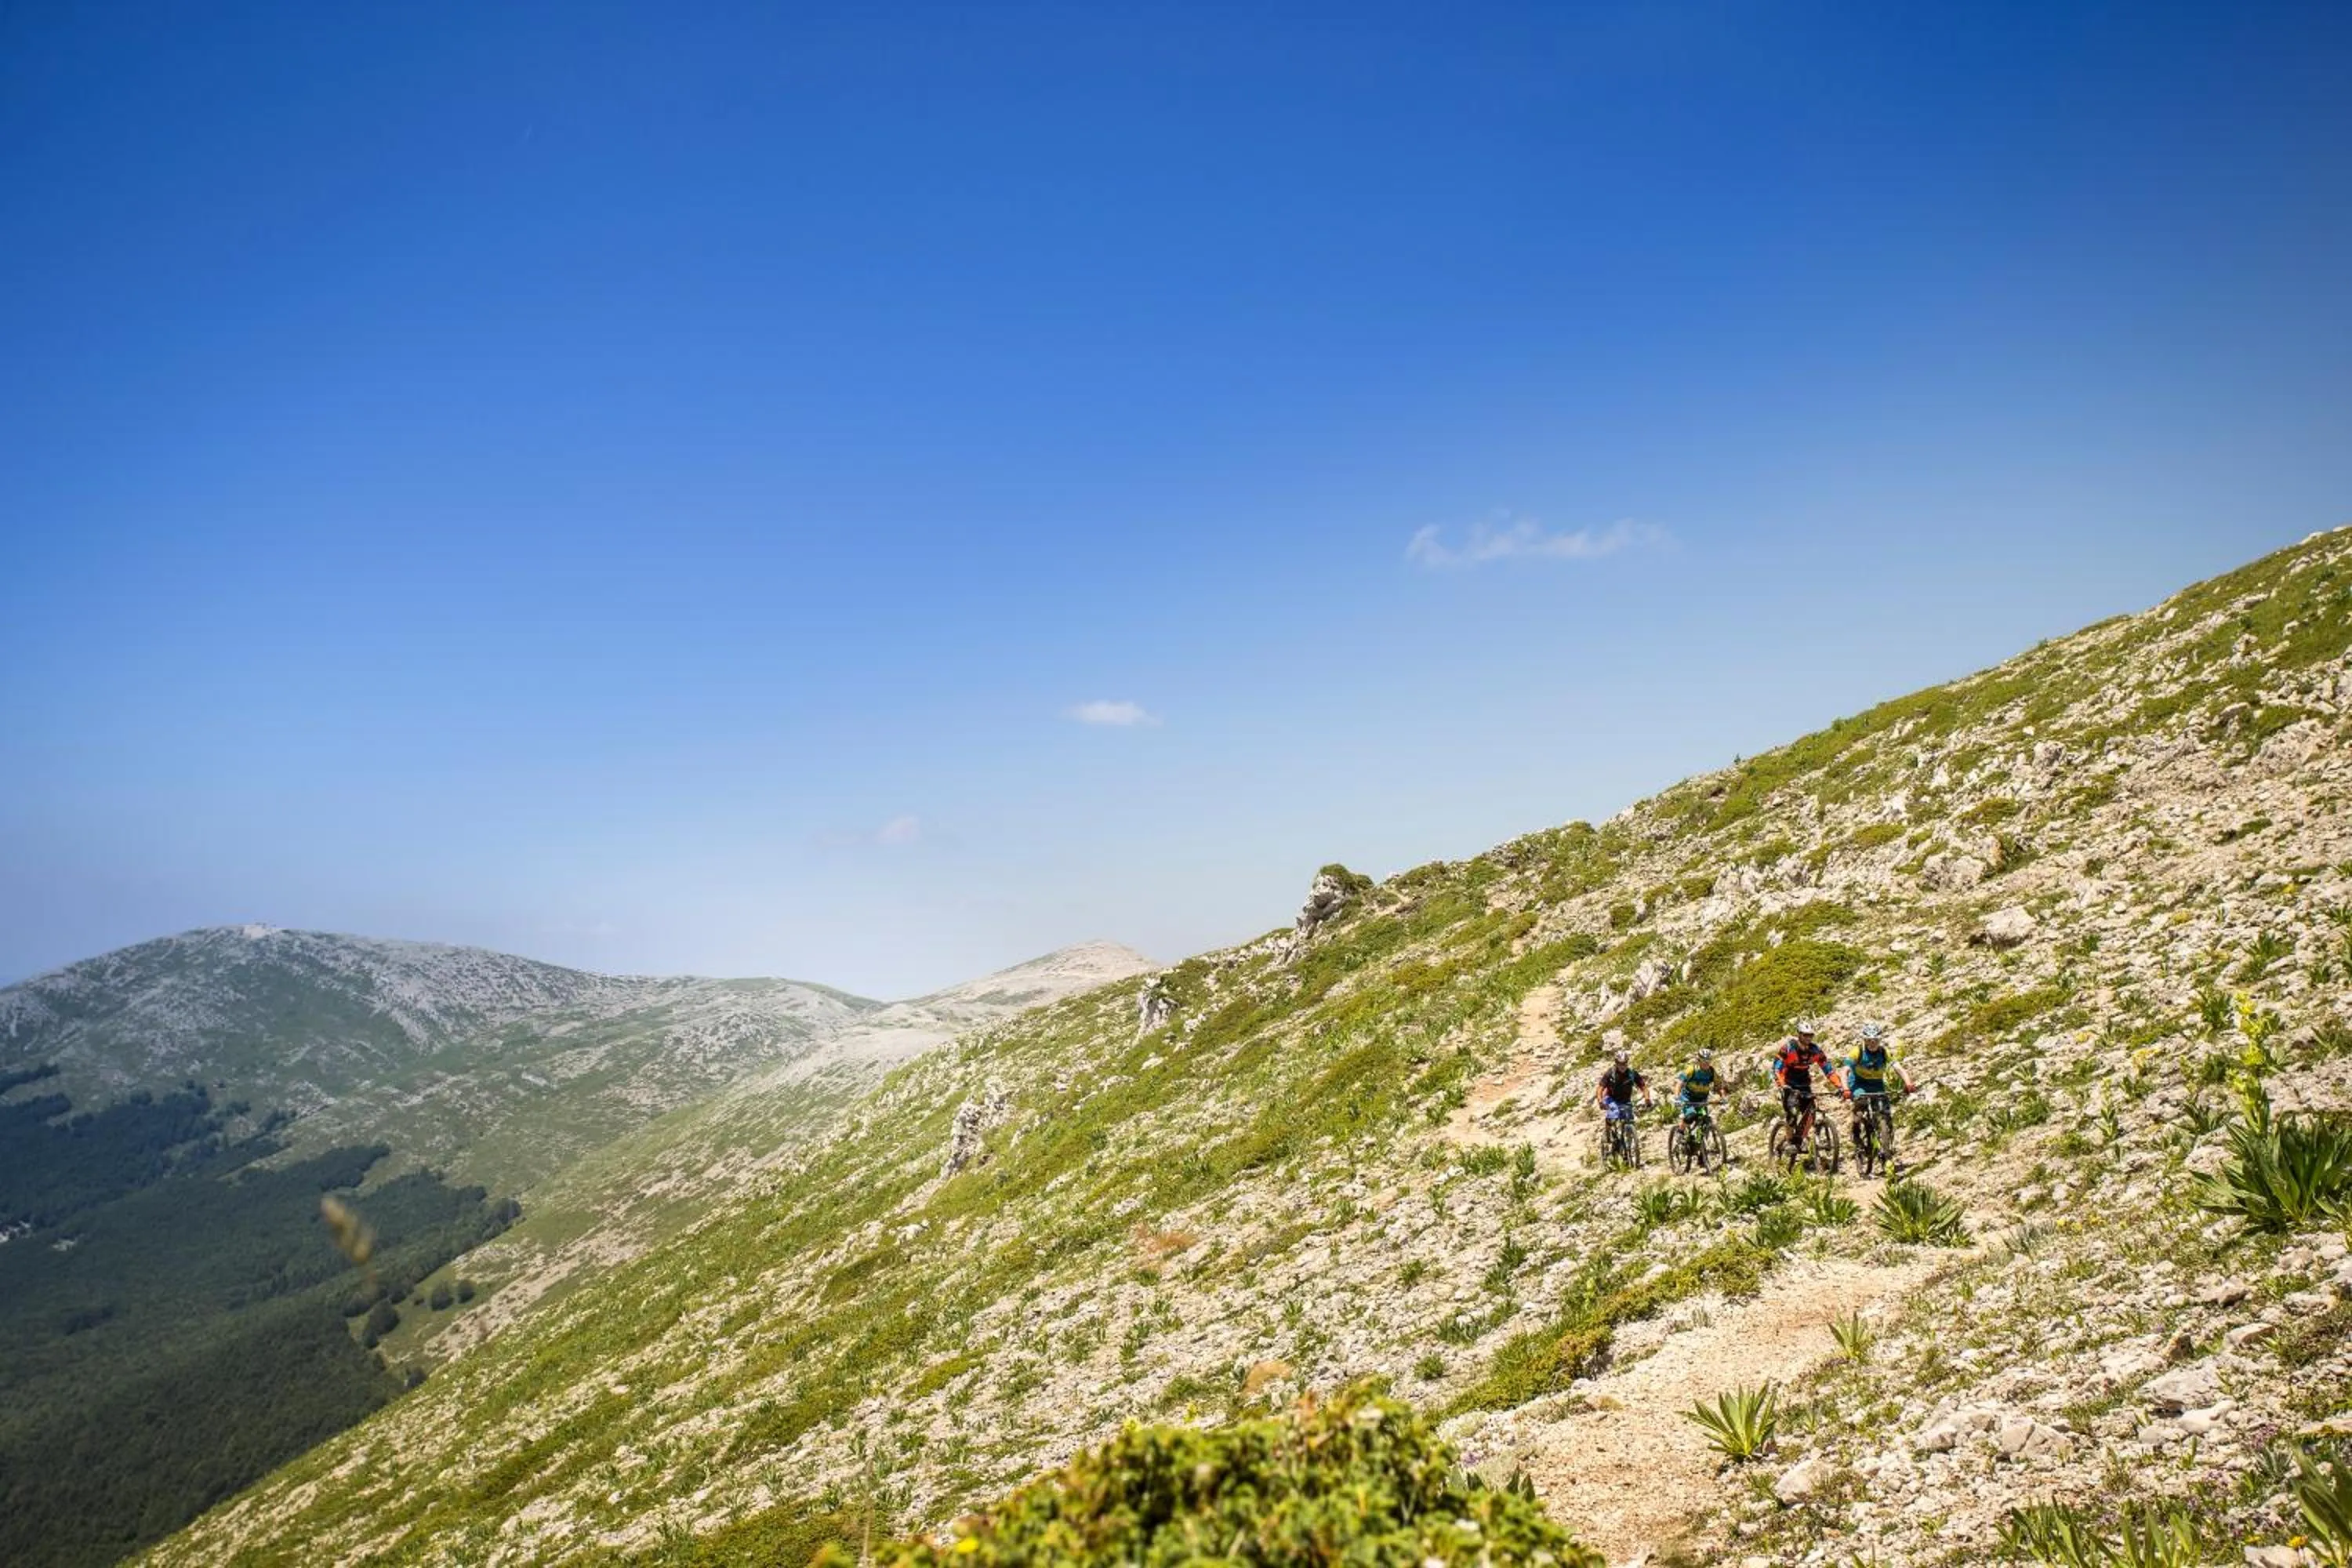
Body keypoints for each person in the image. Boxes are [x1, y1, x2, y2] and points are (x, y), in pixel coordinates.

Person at [1841, 1022, 1913, 1155]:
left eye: (1875, 1040)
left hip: (1877, 1084)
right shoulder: (1857, 1051)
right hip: (1859, 1083)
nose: (1872, 1043)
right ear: (1864, 1040)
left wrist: (1908, 1083)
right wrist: (1846, 1089)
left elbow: (1898, 1068)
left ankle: (1886, 1138)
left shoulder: (1884, 1052)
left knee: (1884, 1111)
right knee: (1860, 1105)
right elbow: (1845, 1070)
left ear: (1880, 1040)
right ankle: (1856, 1133)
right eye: (1869, 1040)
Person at [1773, 1020, 1834, 1151]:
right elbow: (1777, 1068)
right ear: (1799, 1035)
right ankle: (1789, 1142)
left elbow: (1828, 1069)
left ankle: (1801, 1140)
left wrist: (1840, 1086)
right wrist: (1782, 1085)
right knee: (1793, 1112)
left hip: (1804, 1084)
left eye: (1810, 1035)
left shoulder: (1815, 1050)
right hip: (1789, 1085)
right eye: (1805, 1035)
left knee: (1810, 1113)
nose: (1808, 1038)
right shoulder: (1788, 1048)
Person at [1595, 1048, 1653, 1125]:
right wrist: (1600, 1100)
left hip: (1625, 1100)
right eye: (1620, 1064)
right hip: (1611, 1098)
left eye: (1625, 1063)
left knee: (1629, 1121)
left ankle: (1627, 1131)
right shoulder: (1610, 1073)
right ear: (1616, 1063)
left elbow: (1643, 1087)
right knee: (1613, 1115)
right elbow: (1600, 1088)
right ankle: (1608, 1131)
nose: (1623, 1066)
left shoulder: (1632, 1074)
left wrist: (1647, 1098)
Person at [1676, 1049, 1721, 1127]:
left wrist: (1722, 1097)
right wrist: (1677, 1097)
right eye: (1704, 1061)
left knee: (1704, 1117)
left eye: (1709, 1061)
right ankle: (1680, 1132)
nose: (1706, 1063)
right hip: (1688, 1099)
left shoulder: (1712, 1072)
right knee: (1691, 1116)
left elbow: (1718, 1086)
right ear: (1699, 1060)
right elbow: (1680, 1083)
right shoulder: (1692, 1070)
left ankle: (1702, 1134)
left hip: (1702, 1100)